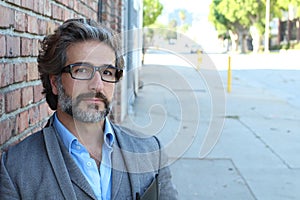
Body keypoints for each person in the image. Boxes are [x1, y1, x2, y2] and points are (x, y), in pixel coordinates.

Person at [0, 18, 178, 200]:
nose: (98, 85)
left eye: (107, 72)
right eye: (82, 70)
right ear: (55, 82)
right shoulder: (15, 168)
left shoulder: (149, 152)